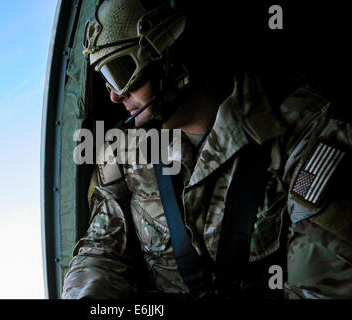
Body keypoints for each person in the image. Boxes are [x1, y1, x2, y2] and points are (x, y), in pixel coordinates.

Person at [62, 0, 352, 299]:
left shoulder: (305, 134)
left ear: (171, 58)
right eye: (105, 79)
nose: (114, 95)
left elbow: (324, 288)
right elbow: (101, 250)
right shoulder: (124, 154)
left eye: (119, 71)